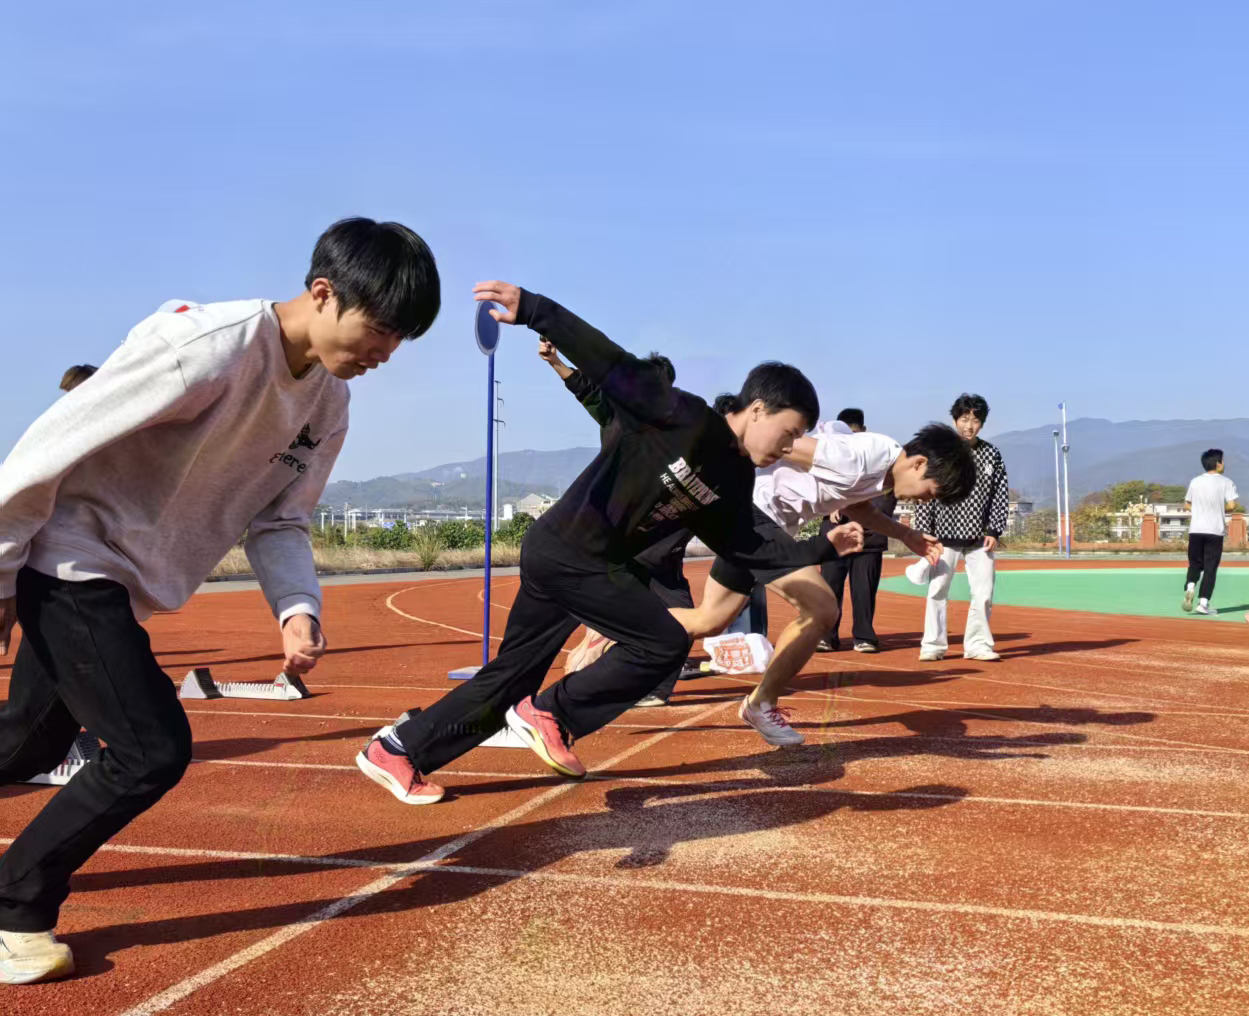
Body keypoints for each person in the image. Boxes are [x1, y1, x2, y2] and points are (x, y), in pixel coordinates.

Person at [0, 217, 440, 984]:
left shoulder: (328, 403)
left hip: (122, 579)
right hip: (71, 559)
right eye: (379, 330)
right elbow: (45, 451)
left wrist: (296, 604)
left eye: (399, 341)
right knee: (149, 751)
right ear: (323, 292)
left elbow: (279, 517)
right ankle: (13, 908)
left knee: (28, 745)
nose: (383, 354)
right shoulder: (206, 345)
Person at [357, 280, 863, 801]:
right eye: (788, 431)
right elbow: (611, 363)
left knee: (511, 678)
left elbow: (748, 549)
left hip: (573, 560)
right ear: (757, 409)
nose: (788, 447)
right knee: (663, 642)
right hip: (572, 550)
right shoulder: (680, 416)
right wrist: (535, 310)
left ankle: (398, 749)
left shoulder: (734, 482)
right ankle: (553, 714)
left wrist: (824, 549)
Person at [670, 422, 974, 745]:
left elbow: (856, 506)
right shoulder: (858, 457)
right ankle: (760, 703)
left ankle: (619, 630)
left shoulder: (881, 469)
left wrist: (906, 534)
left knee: (709, 619)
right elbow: (784, 444)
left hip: (760, 520)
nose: (925, 501)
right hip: (757, 517)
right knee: (822, 608)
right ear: (919, 464)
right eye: (930, 492)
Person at [538, 342, 694, 706]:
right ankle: (609, 643)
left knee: (669, 595)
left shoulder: (681, 425)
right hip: (618, 523)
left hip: (663, 523)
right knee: (637, 592)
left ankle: (638, 668)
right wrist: (556, 361)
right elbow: (587, 391)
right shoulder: (618, 416)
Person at [912, 393, 1009, 662]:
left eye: (975, 420)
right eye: (964, 419)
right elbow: (924, 492)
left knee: (984, 593)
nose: (969, 426)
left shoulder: (992, 454)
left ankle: (978, 644)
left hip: (980, 538)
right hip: (943, 536)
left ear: (983, 423)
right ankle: (933, 645)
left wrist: (994, 529)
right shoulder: (940, 453)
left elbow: (999, 494)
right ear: (955, 420)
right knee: (937, 591)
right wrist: (924, 532)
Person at [816, 408, 893, 653]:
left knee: (864, 590)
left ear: (864, 432)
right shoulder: (829, 459)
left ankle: (864, 635)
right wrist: (830, 508)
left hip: (869, 539)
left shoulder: (879, 460)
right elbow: (816, 491)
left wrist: (865, 520)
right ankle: (827, 635)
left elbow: (886, 495)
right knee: (829, 587)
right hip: (835, 536)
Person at [1182, 449, 1238, 615]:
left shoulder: (1195, 481)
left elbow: (1187, 504)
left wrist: (1200, 508)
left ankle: (1190, 585)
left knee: (1195, 563)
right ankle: (1203, 603)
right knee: (1210, 568)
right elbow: (1232, 505)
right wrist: (1219, 507)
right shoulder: (1226, 482)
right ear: (1218, 464)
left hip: (1196, 529)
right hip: (1215, 530)